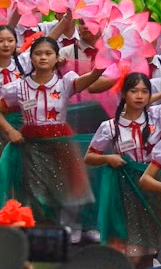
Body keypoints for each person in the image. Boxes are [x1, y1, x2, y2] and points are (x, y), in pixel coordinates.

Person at [1, 35, 104, 226]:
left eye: (48, 53)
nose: (43, 57)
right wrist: (10, 131)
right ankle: (37, 230)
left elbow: (90, 78)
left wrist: (103, 64)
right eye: (38, 53)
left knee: (62, 190)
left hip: (60, 144)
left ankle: (59, 232)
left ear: (57, 57)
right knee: (34, 191)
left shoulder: (65, 83)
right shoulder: (19, 87)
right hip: (30, 145)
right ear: (31, 58)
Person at [84, 72, 161, 266]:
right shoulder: (110, 126)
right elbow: (89, 157)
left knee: (153, 242)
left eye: (144, 92)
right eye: (134, 91)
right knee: (132, 247)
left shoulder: (157, 116)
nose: (139, 96)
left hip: (152, 186)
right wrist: (108, 157)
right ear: (123, 94)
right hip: (125, 189)